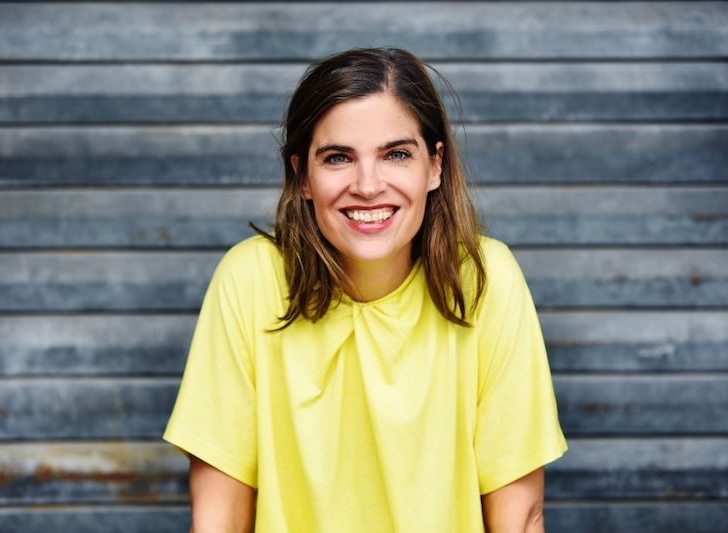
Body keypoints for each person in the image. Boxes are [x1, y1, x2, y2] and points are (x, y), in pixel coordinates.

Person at [164, 47, 567, 533]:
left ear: (435, 165)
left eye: (396, 154)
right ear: (302, 175)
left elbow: (520, 520)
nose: (369, 185)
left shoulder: (485, 280)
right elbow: (217, 520)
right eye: (338, 158)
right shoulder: (250, 281)